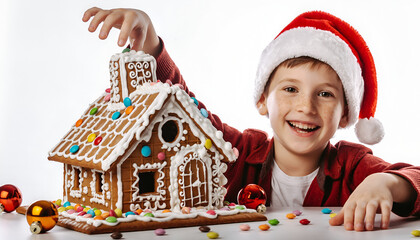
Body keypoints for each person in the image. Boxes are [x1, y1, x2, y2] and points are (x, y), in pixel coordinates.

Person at [82, 7, 420, 231]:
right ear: (262, 100)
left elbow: (415, 179)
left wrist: (389, 183)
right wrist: (152, 46)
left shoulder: (353, 165)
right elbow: (185, 109)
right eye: (290, 89)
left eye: (325, 94)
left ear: (346, 113)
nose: (306, 106)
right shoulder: (239, 152)